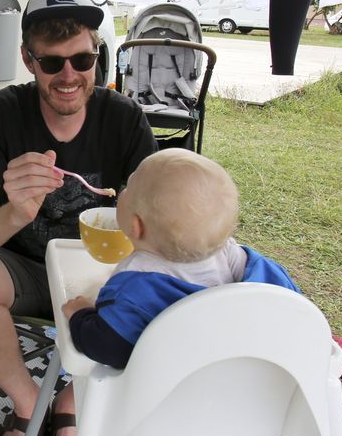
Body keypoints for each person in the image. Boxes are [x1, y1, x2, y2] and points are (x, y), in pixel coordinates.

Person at [0, 0, 158, 436]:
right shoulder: (1, 115)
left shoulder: (124, 118)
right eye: (51, 63)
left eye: (82, 59)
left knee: (160, 285)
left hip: (102, 275)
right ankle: (29, 402)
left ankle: (72, 399)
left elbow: (159, 227)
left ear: (97, 55)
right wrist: (16, 210)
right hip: (27, 269)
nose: (69, 76)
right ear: (27, 60)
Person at [62, 148, 299, 370]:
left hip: (162, 402)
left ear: (136, 226)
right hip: (240, 390)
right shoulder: (249, 267)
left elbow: (108, 348)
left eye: (128, 187)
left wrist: (81, 315)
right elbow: (294, 309)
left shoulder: (134, 287)